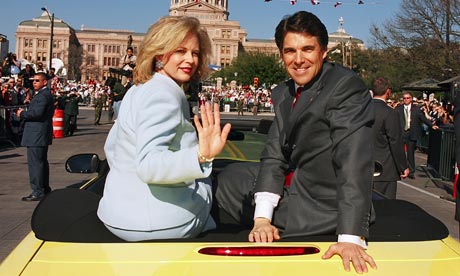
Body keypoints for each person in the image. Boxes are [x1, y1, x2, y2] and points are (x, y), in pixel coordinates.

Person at [216, 11, 377, 273]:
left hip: (324, 206)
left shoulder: (345, 86)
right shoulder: (283, 91)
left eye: (307, 49)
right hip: (299, 187)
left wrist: (350, 238)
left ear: (324, 52)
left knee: (220, 187)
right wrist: (262, 220)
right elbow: (274, 155)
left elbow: (353, 159)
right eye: (290, 51)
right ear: (281, 54)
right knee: (232, 174)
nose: (299, 59)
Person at [97, 16, 231, 241]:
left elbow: (112, 148)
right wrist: (201, 155)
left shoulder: (138, 89)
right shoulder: (164, 95)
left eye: (195, 53)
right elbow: (149, 166)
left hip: (115, 215)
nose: (190, 59)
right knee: (209, 183)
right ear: (159, 53)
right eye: (180, 51)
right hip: (160, 223)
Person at [16, 72, 55, 201]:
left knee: (36, 164)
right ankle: (43, 188)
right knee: (41, 163)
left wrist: (22, 113)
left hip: (36, 134)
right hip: (39, 134)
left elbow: (37, 114)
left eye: (37, 80)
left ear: (45, 82)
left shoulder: (43, 95)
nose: (34, 83)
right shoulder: (43, 95)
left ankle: (38, 191)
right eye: (34, 80)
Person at [371, 77, 409, 199]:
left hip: (362, 166)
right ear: (388, 91)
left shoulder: (360, 111)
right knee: (386, 208)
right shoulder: (389, 113)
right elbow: (395, 141)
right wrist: (403, 167)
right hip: (384, 168)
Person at [397, 92, 438, 179]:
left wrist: (431, 125)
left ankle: (411, 172)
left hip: (412, 133)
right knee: (400, 152)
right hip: (402, 133)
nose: (406, 100)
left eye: (408, 98)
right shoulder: (399, 108)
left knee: (410, 153)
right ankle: (402, 169)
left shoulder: (416, 109)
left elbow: (423, 118)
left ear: (411, 99)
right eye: (404, 98)